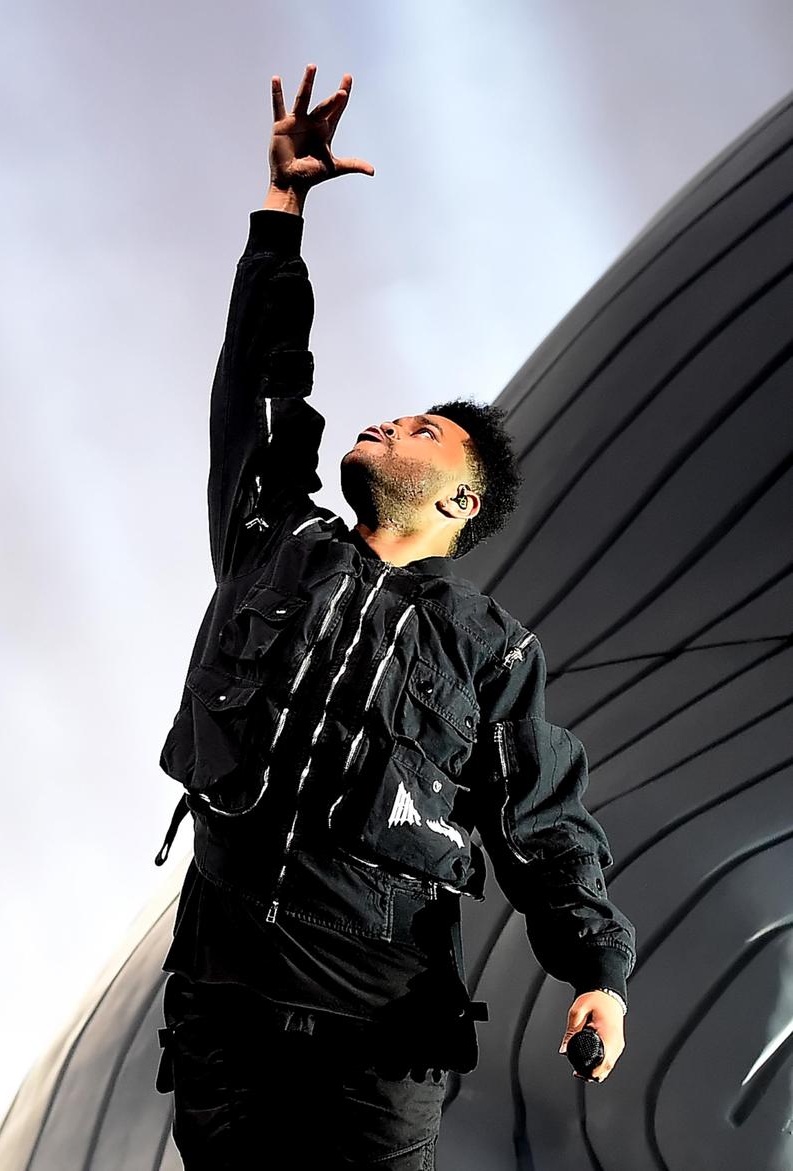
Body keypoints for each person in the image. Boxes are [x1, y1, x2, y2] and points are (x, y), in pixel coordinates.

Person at [152, 63, 637, 1170]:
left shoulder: (490, 648)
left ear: (460, 501)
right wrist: (283, 212)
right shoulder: (276, 543)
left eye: (420, 430)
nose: (387, 422)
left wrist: (597, 975)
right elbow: (258, 381)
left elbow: (544, 823)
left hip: (377, 1045)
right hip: (223, 1019)